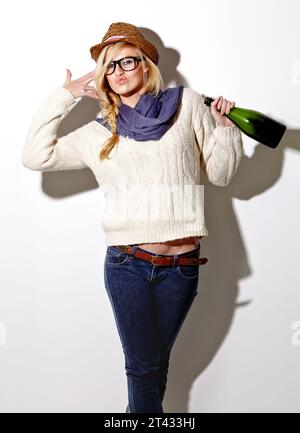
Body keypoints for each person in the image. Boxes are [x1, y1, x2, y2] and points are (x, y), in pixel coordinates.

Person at [21, 22, 244, 413]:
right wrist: (65, 95)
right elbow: (35, 156)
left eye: (128, 61)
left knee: (154, 369)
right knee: (143, 370)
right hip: (128, 265)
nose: (119, 71)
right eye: (110, 66)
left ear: (147, 66)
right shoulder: (98, 132)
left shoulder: (187, 104)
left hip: (184, 266)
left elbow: (221, 175)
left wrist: (225, 130)